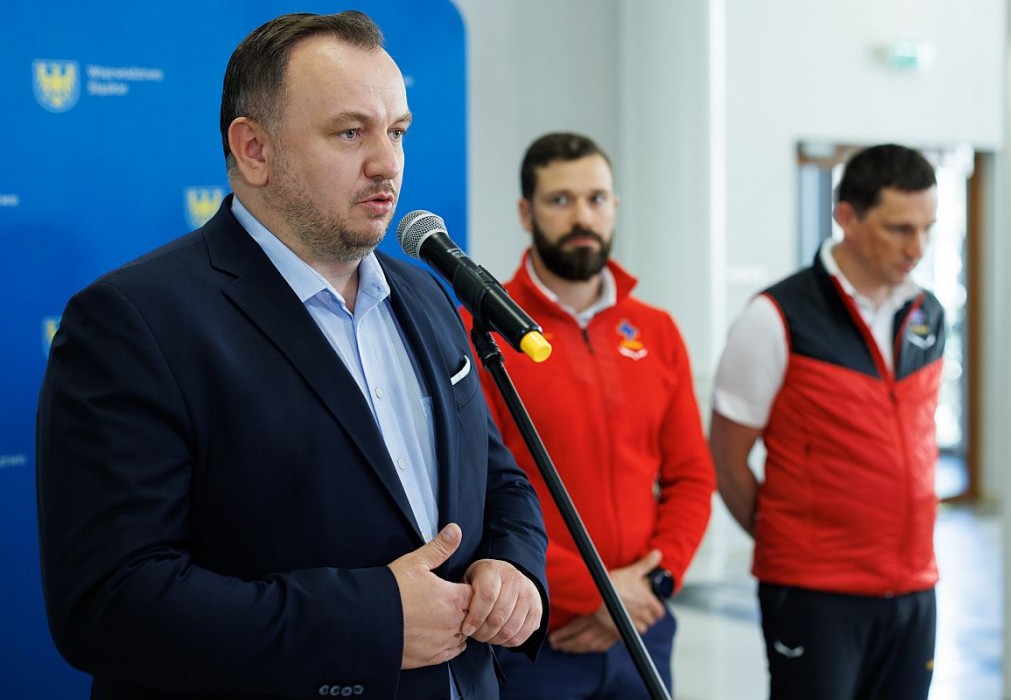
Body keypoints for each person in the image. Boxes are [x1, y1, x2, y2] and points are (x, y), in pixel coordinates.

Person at [35, 11, 549, 700]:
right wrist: (374, 620)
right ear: (254, 149)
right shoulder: (133, 322)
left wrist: (514, 568)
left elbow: (498, 480)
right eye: (350, 133)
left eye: (397, 131)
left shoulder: (427, 294)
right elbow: (111, 602)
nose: (387, 163)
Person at [463, 132, 716, 698]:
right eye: (560, 200)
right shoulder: (478, 333)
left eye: (596, 199)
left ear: (615, 207)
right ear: (526, 213)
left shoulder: (656, 331)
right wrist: (598, 594)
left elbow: (692, 477)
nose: (582, 217)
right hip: (534, 633)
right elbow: (477, 496)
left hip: (644, 628)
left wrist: (654, 581)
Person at [710, 144, 944, 699]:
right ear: (847, 217)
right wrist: (792, 540)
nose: (917, 248)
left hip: (914, 586)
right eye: (900, 229)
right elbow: (727, 459)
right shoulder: (775, 317)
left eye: (928, 229)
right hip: (814, 591)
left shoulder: (928, 313)